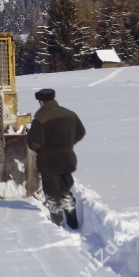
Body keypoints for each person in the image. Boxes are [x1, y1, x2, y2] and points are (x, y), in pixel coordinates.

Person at [27, 89, 86, 229]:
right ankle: (73, 224)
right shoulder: (70, 114)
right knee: (65, 192)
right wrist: (68, 143)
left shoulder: (40, 119)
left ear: (41, 102)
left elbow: (34, 143)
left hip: (49, 163)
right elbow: (81, 132)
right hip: (67, 160)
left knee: (53, 196)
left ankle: (57, 228)